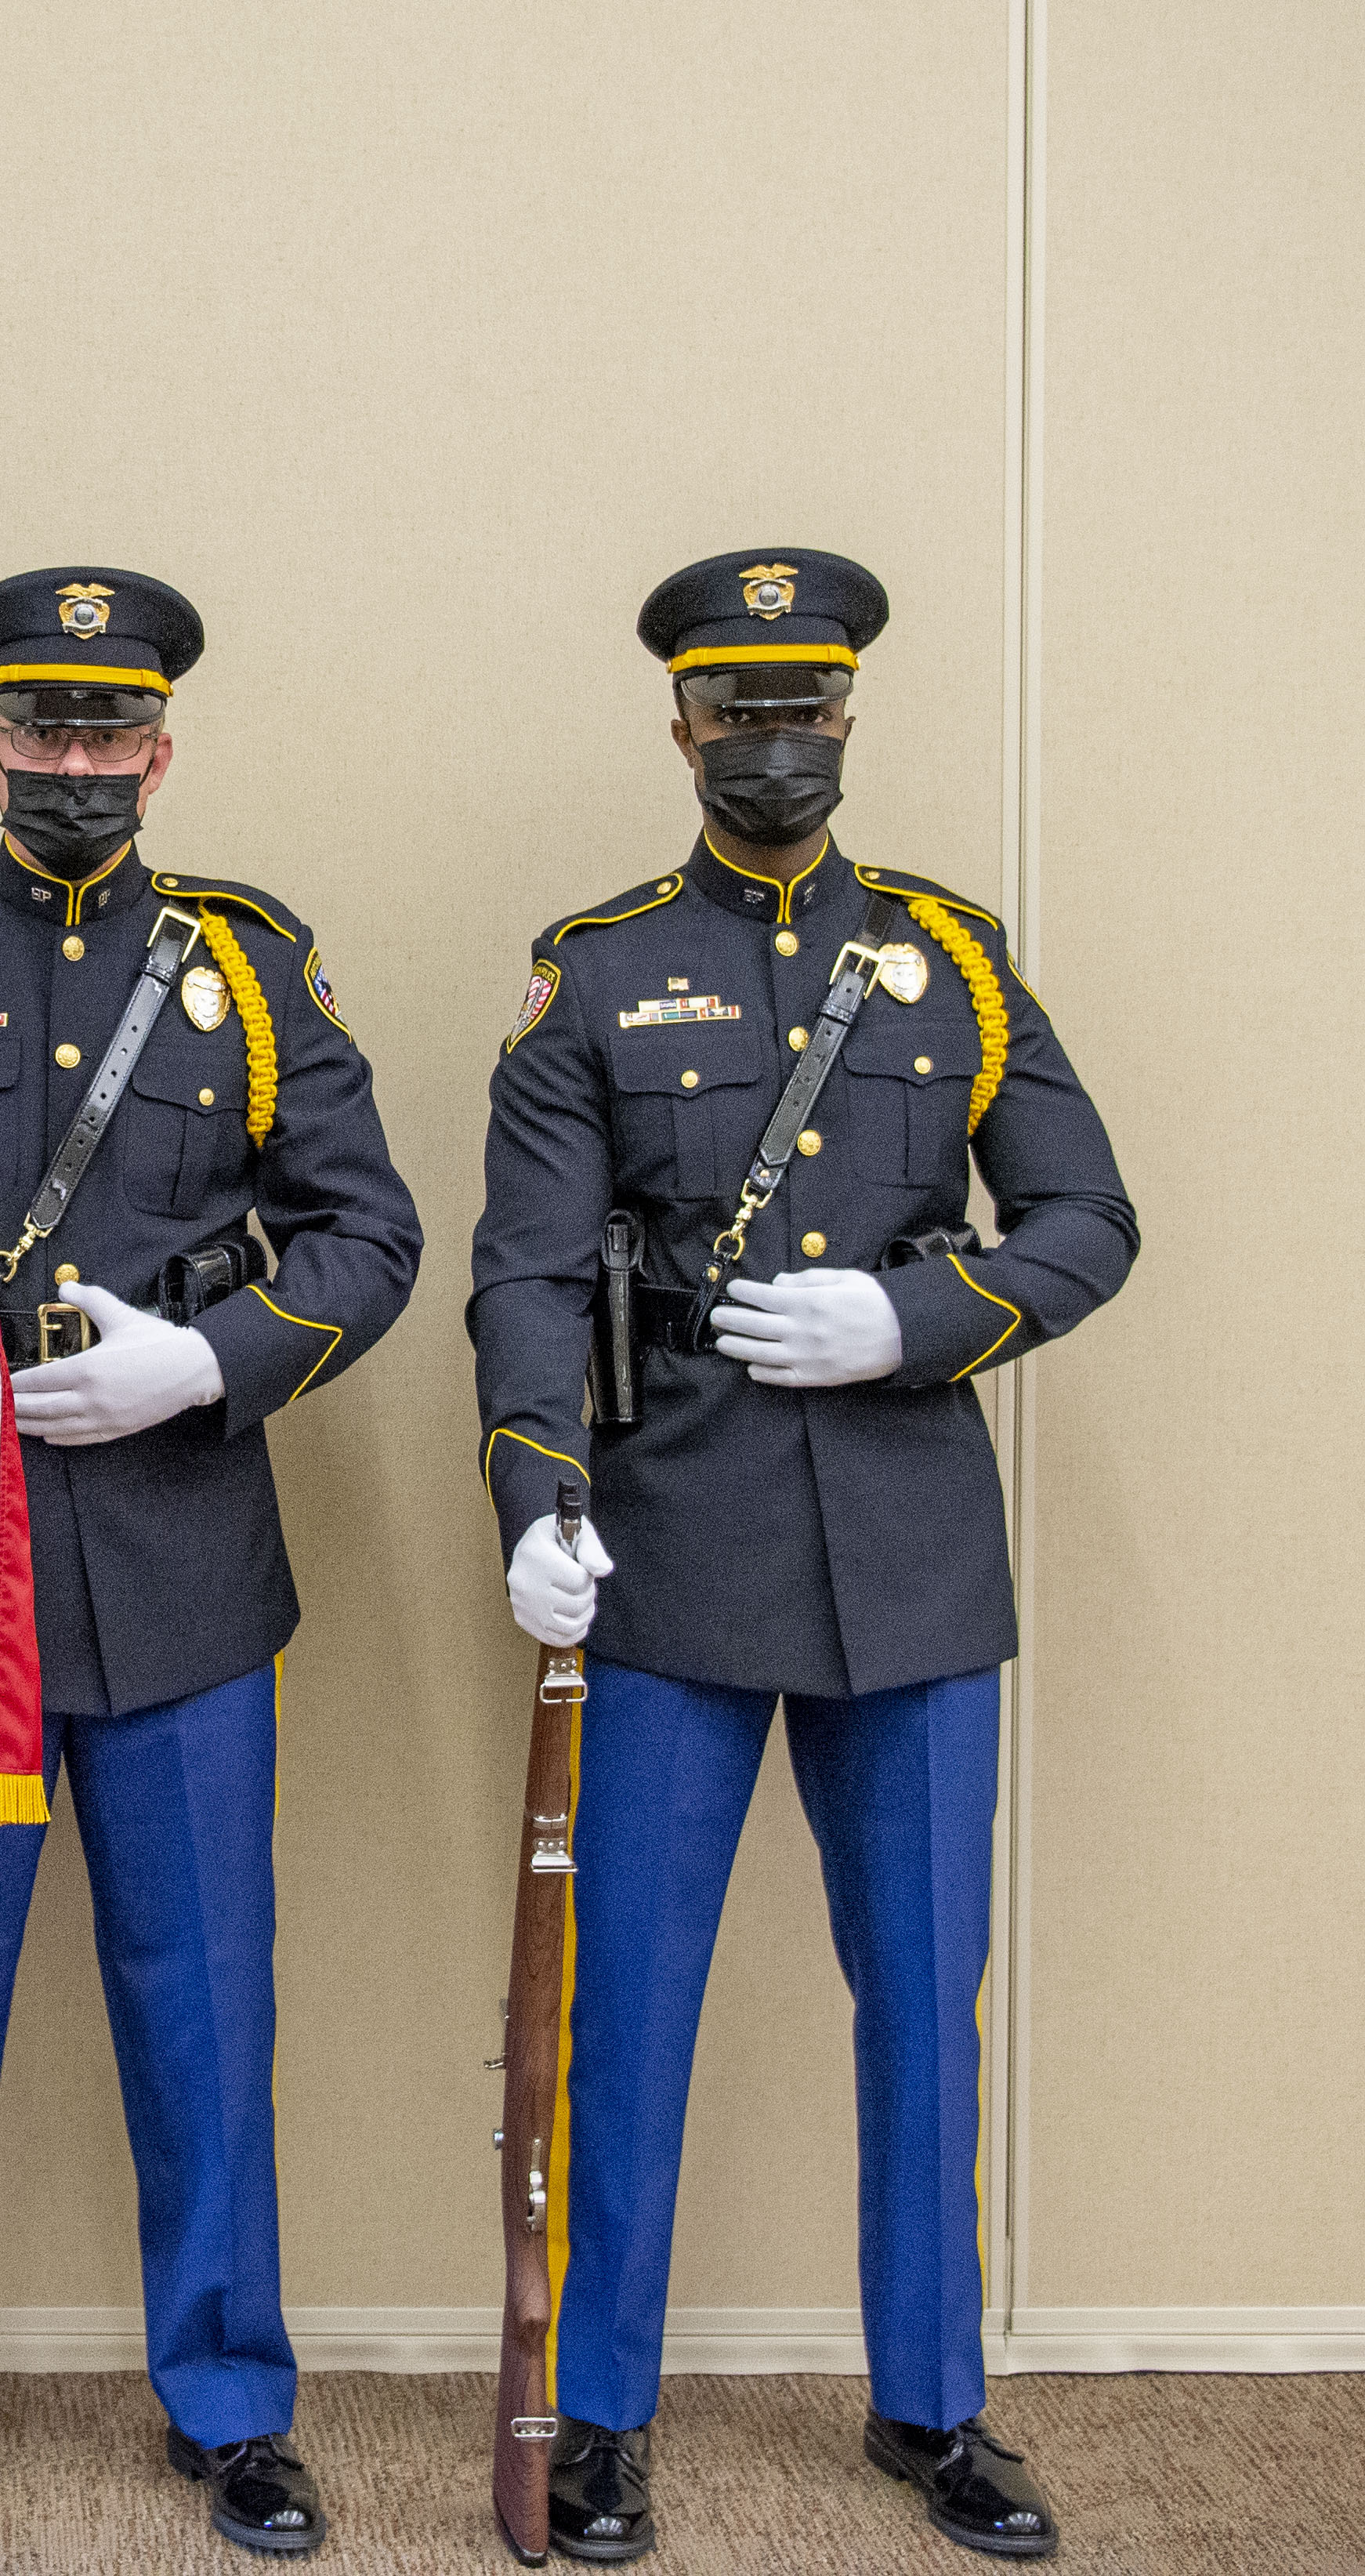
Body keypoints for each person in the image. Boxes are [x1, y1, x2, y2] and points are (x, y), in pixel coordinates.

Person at [469, 549, 1137, 2563]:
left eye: (803, 711)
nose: (771, 745)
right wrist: (535, 1497)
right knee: (630, 2008)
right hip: (674, 1535)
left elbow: (1084, 1218)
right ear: (679, 728)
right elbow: (518, 1274)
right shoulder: (589, 970)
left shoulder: (953, 956)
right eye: (733, 713)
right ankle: (596, 2415)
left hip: (916, 1548)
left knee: (925, 1996)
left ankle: (931, 2405)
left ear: (845, 720)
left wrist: (915, 1320)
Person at [0, 568, 422, 2563]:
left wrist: (197, 1367)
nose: (71, 766)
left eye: (105, 734)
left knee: (205, 2009)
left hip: (183, 1569)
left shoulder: (245, 973)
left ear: (160, 748)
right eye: (35, 734)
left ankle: (230, 2403)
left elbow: (363, 1238)